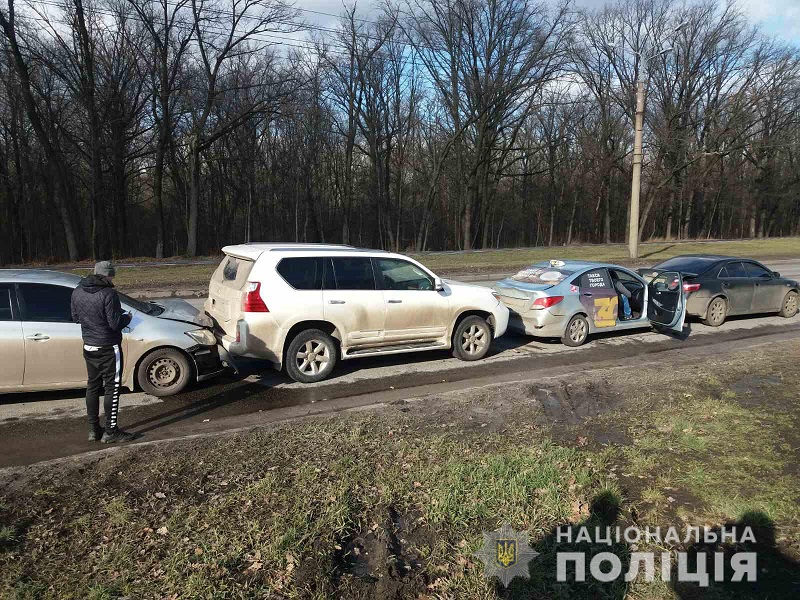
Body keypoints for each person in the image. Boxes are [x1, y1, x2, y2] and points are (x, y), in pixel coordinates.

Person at [71, 261, 137, 443]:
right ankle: (111, 431)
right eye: (112, 276)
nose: (112, 279)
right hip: (109, 347)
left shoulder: (77, 291)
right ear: (107, 275)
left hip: (89, 346)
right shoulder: (109, 294)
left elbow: (76, 317)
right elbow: (115, 323)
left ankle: (93, 430)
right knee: (112, 388)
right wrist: (127, 317)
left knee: (92, 386)